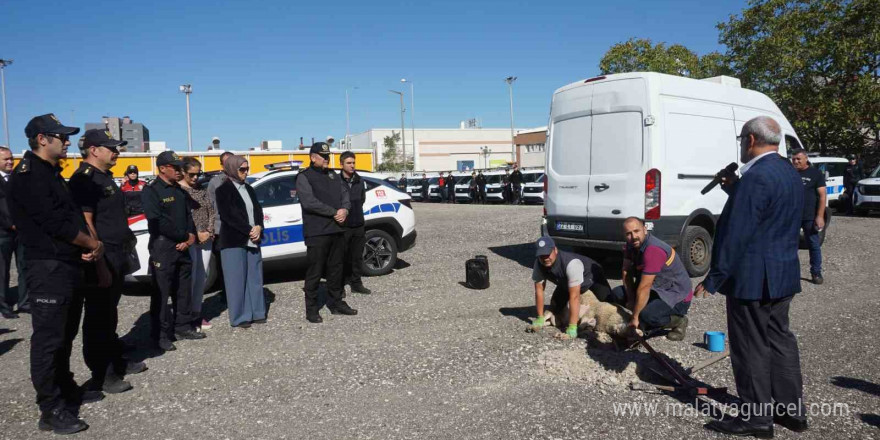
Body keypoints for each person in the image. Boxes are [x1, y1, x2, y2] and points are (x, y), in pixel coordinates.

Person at [696, 116, 807, 437]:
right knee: (780, 340)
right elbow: (769, 214)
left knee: (750, 346)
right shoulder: (788, 171)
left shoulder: (757, 176)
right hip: (783, 273)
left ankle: (756, 418)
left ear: (750, 141)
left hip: (753, 279)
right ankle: (791, 412)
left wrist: (714, 276)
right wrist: (737, 191)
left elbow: (737, 232)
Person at [11, 114, 105, 434]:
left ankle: (65, 390)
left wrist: (86, 247)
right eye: (61, 136)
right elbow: (55, 223)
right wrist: (90, 242)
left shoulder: (50, 172)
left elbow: (70, 217)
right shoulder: (27, 175)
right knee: (49, 340)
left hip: (67, 264)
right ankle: (50, 408)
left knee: (65, 335)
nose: (67, 141)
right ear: (42, 139)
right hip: (47, 268)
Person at [70, 129, 147, 396]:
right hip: (102, 257)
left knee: (109, 313)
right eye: (111, 147)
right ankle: (102, 374)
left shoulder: (104, 177)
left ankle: (115, 359)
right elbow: (87, 221)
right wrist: (99, 262)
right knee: (98, 317)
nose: (116, 152)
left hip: (117, 253)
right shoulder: (85, 179)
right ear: (93, 150)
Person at [142, 151, 204, 352]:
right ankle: (159, 335)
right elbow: (157, 220)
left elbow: (189, 216)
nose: (180, 171)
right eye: (175, 167)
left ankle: (182, 326)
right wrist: (182, 237)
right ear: (162, 168)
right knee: (161, 294)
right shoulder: (152, 191)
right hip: (164, 247)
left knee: (183, 289)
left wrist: (190, 237)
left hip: (183, 246)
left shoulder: (179, 191)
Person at [296, 142, 357, 323]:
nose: (326, 159)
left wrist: (345, 210)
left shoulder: (333, 175)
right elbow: (309, 202)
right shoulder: (304, 177)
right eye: (323, 157)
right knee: (315, 271)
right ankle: (312, 309)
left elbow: (346, 196)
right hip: (317, 232)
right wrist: (333, 212)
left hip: (337, 230)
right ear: (313, 157)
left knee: (336, 270)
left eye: (328, 156)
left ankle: (336, 302)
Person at [606, 217, 691, 340]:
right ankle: (640, 320)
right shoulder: (630, 246)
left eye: (637, 231)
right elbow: (626, 272)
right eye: (629, 234)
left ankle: (679, 320)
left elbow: (644, 287)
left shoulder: (653, 250)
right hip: (655, 288)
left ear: (645, 230)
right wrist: (631, 299)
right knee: (616, 294)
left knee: (647, 316)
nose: (633, 236)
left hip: (675, 295)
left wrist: (635, 317)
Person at [216, 156, 267, 328]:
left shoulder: (249, 189)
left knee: (254, 276)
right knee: (236, 280)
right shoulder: (223, 190)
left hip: (253, 238)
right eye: (242, 169)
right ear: (232, 169)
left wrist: (259, 227)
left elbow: (257, 211)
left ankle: (257, 311)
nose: (246, 172)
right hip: (233, 240)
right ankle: (240, 316)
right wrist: (249, 230)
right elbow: (229, 215)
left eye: (247, 168)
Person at [528, 236, 612, 339]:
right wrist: (540, 317)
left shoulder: (571, 264)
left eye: (547, 254)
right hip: (565, 282)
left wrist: (572, 326)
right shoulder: (539, 264)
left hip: (592, 276)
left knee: (610, 303)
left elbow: (574, 296)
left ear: (555, 250)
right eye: (541, 256)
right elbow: (539, 290)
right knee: (554, 306)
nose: (545, 258)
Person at [179, 157, 215, 330]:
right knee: (190, 279)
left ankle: (197, 313)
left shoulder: (202, 190)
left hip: (206, 239)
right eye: (191, 174)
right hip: (190, 239)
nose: (195, 178)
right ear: (183, 173)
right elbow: (181, 217)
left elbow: (211, 211)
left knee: (202, 277)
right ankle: (185, 316)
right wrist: (195, 233)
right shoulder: (178, 190)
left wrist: (209, 231)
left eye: (198, 174)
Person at [791, 149, 826, 284]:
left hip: (809, 216)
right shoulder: (790, 173)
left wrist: (820, 216)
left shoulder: (815, 174)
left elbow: (822, 196)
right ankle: (791, 273)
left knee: (813, 244)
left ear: (806, 159)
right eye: (794, 159)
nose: (796, 161)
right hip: (792, 216)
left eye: (798, 159)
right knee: (790, 246)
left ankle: (816, 273)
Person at [0, 146, 27, 319]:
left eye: (11, 158)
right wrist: (10, 224)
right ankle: (4, 305)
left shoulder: (18, 178)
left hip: (22, 231)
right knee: (2, 270)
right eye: (6, 159)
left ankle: (25, 302)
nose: (10, 162)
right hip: (2, 232)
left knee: (24, 266)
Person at [339, 151, 371, 295]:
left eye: (353, 163)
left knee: (357, 257)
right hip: (343, 226)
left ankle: (356, 283)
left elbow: (362, 199)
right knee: (341, 257)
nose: (352, 166)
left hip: (358, 224)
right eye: (349, 163)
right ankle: (340, 285)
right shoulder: (336, 181)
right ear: (341, 164)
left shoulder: (359, 180)